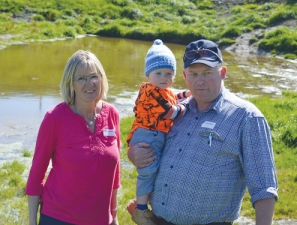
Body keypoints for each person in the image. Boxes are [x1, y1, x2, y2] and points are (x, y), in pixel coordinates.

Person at [127, 39, 278, 225]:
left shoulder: (247, 117)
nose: (200, 81)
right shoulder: (176, 111)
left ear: (222, 73)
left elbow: (264, 189)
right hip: (157, 220)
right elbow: (151, 140)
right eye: (193, 74)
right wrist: (134, 153)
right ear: (184, 75)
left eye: (207, 73)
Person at [25, 50, 120, 225]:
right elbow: (37, 173)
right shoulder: (55, 118)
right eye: (81, 78)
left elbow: (114, 173)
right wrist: (32, 221)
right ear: (71, 83)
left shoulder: (112, 114)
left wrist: (113, 215)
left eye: (94, 76)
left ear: (102, 78)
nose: (89, 83)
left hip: (99, 219)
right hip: (58, 218)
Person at [127, 39, 190, 225]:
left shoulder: (163, 90)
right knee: (148, 169)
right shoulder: (151, 92)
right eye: (159, 73)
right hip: (147, 134)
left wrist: (187, 94)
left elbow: (173, 97)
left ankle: (150, 204)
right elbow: (170, 111)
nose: (164, 77)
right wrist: (187, 106)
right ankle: (140, 210)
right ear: (148, 74)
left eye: (169, 73)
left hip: (155, 134)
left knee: (157, 169)